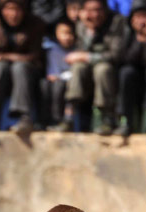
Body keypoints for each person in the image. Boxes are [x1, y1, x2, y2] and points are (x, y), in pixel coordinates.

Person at [51, 0, 126, 134]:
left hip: (111, 67)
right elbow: (81, 50)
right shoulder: (82, 24)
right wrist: (90, 31)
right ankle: (68, 117)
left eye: (98, 10)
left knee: (102, 70)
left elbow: (116, 55)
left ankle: (107, 119)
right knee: (78, 68)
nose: (95, 14)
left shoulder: (116, 22)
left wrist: (88, 57)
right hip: (87, 68)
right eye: (90, 10)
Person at [0, 0, 46, 135]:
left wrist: (5, 56)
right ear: (2, 10)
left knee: (19, 67)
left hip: (29, 72)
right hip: (1, 73)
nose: (14, 14)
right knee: (1, 67)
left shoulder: (36, 25)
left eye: (17, 10)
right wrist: (2, 59)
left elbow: (34, 56)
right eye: (9, 9)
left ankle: (24, 117)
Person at [114, 0, 146, 138]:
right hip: (133, 73)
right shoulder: (125, 28)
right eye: (138, 16)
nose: (142, 21)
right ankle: (126, 121)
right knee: (126, 72)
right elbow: (123, 58)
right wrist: (139, 40)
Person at [42, 18, 77, 125]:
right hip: (56, 80)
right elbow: (52, 72)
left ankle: (59, 120)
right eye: (63, 33)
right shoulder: (52, 51)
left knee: (59, 86)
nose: (66, 37)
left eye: (69, 33)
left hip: (70, 82)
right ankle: (44, 119)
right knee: (44, 85)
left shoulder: (77, 51)